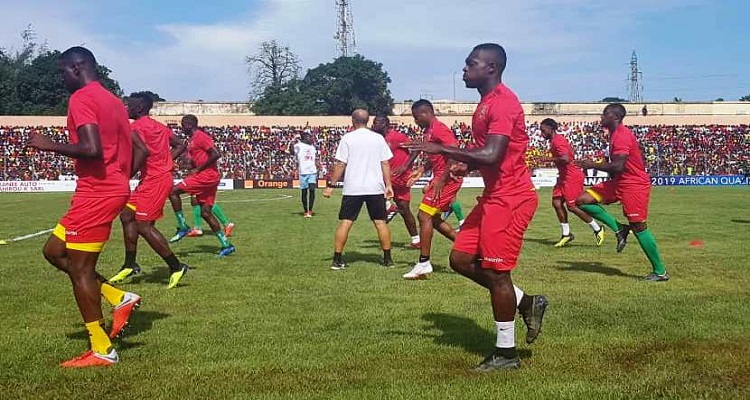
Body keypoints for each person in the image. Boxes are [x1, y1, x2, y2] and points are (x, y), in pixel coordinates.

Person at [406, 43, 548, 371]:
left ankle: (506, 354)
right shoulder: (484, 104)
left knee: (498, 274)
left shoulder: (504, 103)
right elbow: (485, 152)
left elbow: (494, 155)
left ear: (491, 68)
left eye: (471, 64)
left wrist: (447, 152)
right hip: (494, 196)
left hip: (511, 199)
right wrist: (463, 166)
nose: (464, 70)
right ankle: (527, 302)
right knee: (459, 259)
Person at [26, 46, 142, 367]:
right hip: (105, 188)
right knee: (53, 251)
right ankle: (119, 297)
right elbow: (134, 148)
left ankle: (102, 349)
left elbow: (92, 149)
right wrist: (120, 178)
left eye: (62, 72)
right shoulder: (115, 101)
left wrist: (51, 146)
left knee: (81, 272)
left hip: (97, 193)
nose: (61, 78)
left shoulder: (82, 99)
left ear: (76, 68)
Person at [575, 104, 669, 281]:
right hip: (619, 182)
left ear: (615, 117)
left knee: (639, 226)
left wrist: (592, 165)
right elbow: (616, 168)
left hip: (633, 184)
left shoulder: (622, 135)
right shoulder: (613, 135)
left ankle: (660, 271)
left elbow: (618, 165)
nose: (601, 117)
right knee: (582, 201)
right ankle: (620, 229)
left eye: (605, 114)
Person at [109, 92, 190, 288]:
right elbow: (180, 145)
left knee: (144, 225)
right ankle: (130, 264)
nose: (126, 108)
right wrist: (167, 161)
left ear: (138, 108)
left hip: (155, 181)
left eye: (129, 105)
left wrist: (125, 175)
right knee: (127, 215)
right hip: (152, 178)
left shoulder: (134, 127)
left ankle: (176, 266)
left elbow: (141, 153)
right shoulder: (160, 127)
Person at [323, 109, 394, 269]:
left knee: (346, 222)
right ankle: (388, 259)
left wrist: (331, 185)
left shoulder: (347, 138)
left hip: (353, 188)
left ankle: (337, 259)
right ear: (368, 120)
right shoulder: (378, 138)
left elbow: (341, 164)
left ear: (352, 121)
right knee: (381, 222)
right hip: (375, 187)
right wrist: (388, 185)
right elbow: (385, 163)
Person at [402, 100, 464, 280]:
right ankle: (470, 248)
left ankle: (424, 262)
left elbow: (453, 151)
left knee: (423, 215)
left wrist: (441, 179)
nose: (415, 121)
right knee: (434, 220)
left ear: (425, 113)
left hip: (448, 180)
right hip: (440, 178)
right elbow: (437, 155)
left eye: (416, 117)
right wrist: (422, 169)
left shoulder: (439, 129)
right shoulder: (429, 131)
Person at [168, 115, 236, 257]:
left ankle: (182, 226)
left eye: (183, 125)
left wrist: (198, 169)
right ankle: (226, 245)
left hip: (207, 176)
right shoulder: (192, 140)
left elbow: (216, 154)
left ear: (189, 124)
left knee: (173, 192)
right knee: (205, 212)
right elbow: (199, 159)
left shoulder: (200, 136)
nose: (181, 128)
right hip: (208, 176)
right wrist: (190, 164)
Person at [539, 118, 604, 247]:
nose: (542, 133)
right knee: (556, 203)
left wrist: (548, 159)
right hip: (563, 177)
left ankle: (597, 228)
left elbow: (566, 159)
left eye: (543, 130)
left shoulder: (558, 141)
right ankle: (566, 234)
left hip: (571, 177)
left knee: (572, 206)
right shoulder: (553, 141)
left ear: (551, 129)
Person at [372, 114, 420, 248]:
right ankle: (389, 207)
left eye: (377, 122)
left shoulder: (397, 136)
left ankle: (416, 239)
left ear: (385, 124)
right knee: (373, 193)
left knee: (404, 209)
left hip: (400, 176)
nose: (375, 125)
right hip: (387, 176)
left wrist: (405, 166)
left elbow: (416, 148)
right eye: (374, 123)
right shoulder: (377, 139)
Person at [291, 132, 321, 218]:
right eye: (309, 137)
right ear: (304, 138)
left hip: (312, 171)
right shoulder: (299, 145)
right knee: (304, 192)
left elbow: (313, 159)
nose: (310, 138)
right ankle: (305, 211)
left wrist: (318, 164)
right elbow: (292, 152)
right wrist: (293, 142)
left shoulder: (312, 147)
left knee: (312, 190)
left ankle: (310, 210)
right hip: (303, 172)